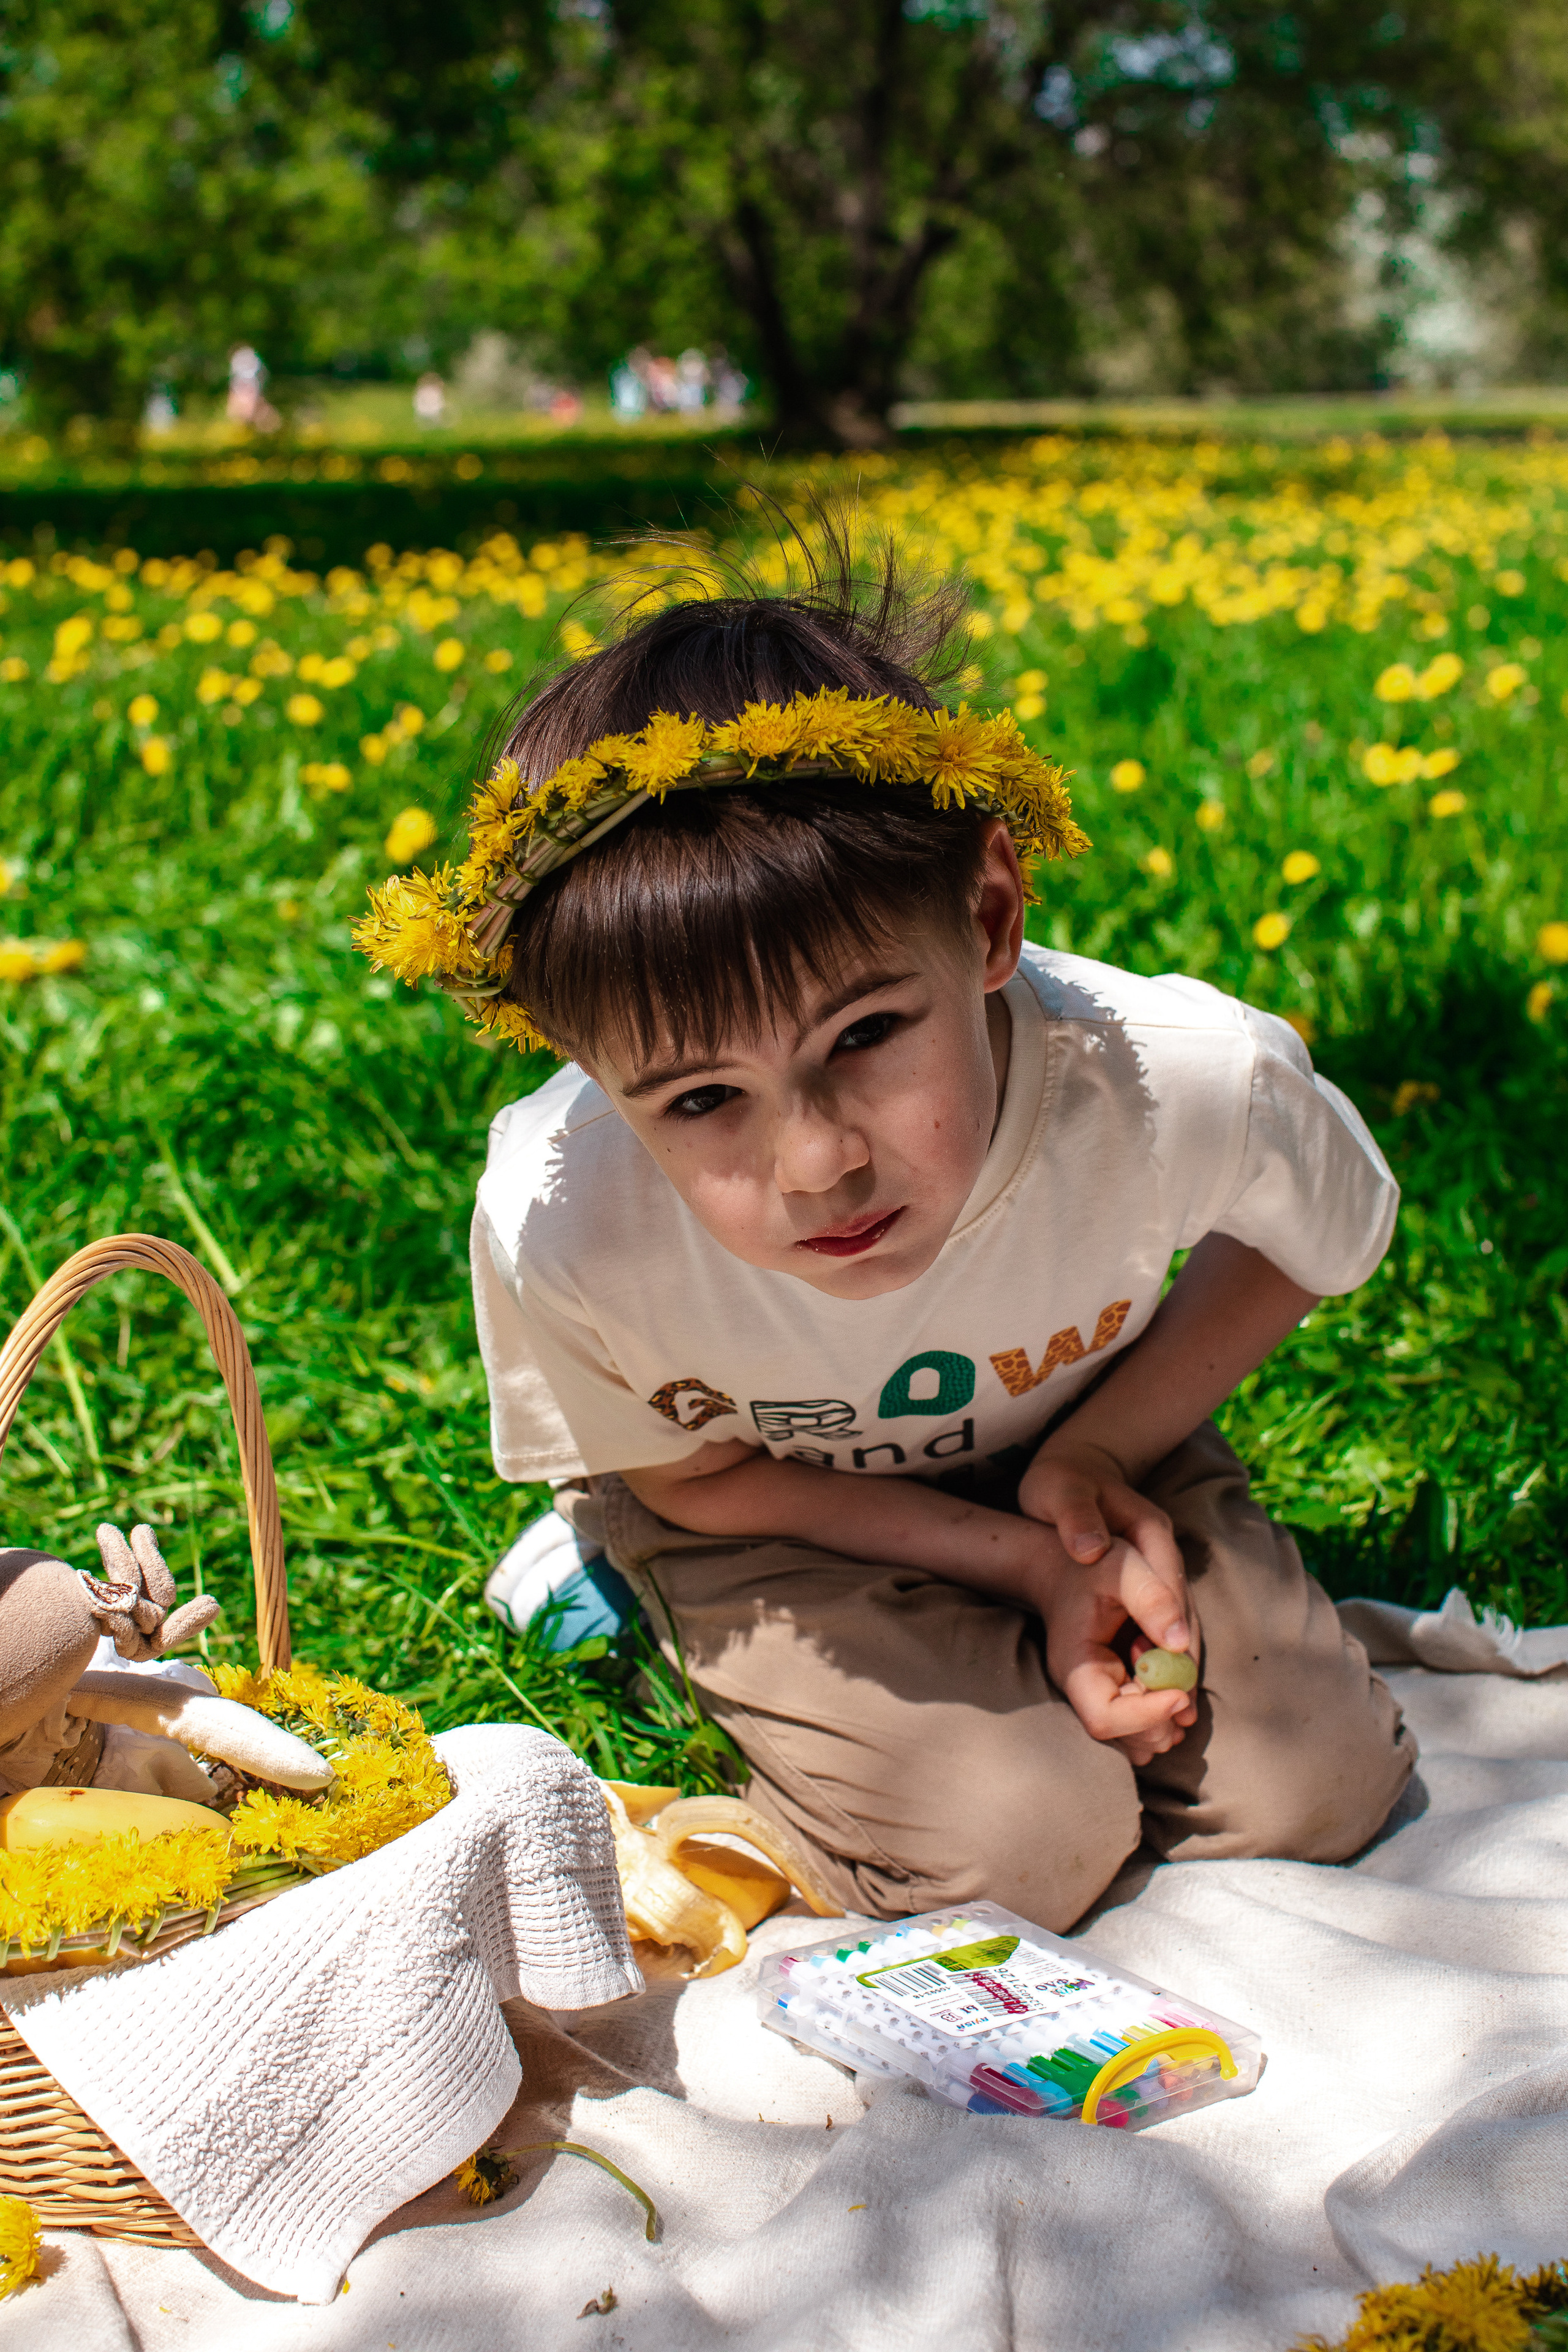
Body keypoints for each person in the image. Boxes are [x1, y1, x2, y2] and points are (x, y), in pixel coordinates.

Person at [355, 529, 1416, 1931]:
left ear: (985, 913)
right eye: (700, 1100)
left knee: (1314, 1791)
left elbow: (1303, 1239)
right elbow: (699, 1482)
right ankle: (598, 1595)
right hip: (760, 1501)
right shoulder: (565, 1214)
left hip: (1066, 1435)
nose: (814, 1161)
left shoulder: (1170, 1080)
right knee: (1022, 1846)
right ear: (587, 1066)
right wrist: (1023, 1565)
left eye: (864, 1033)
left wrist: (1098, 1456)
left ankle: (1024, 1612)